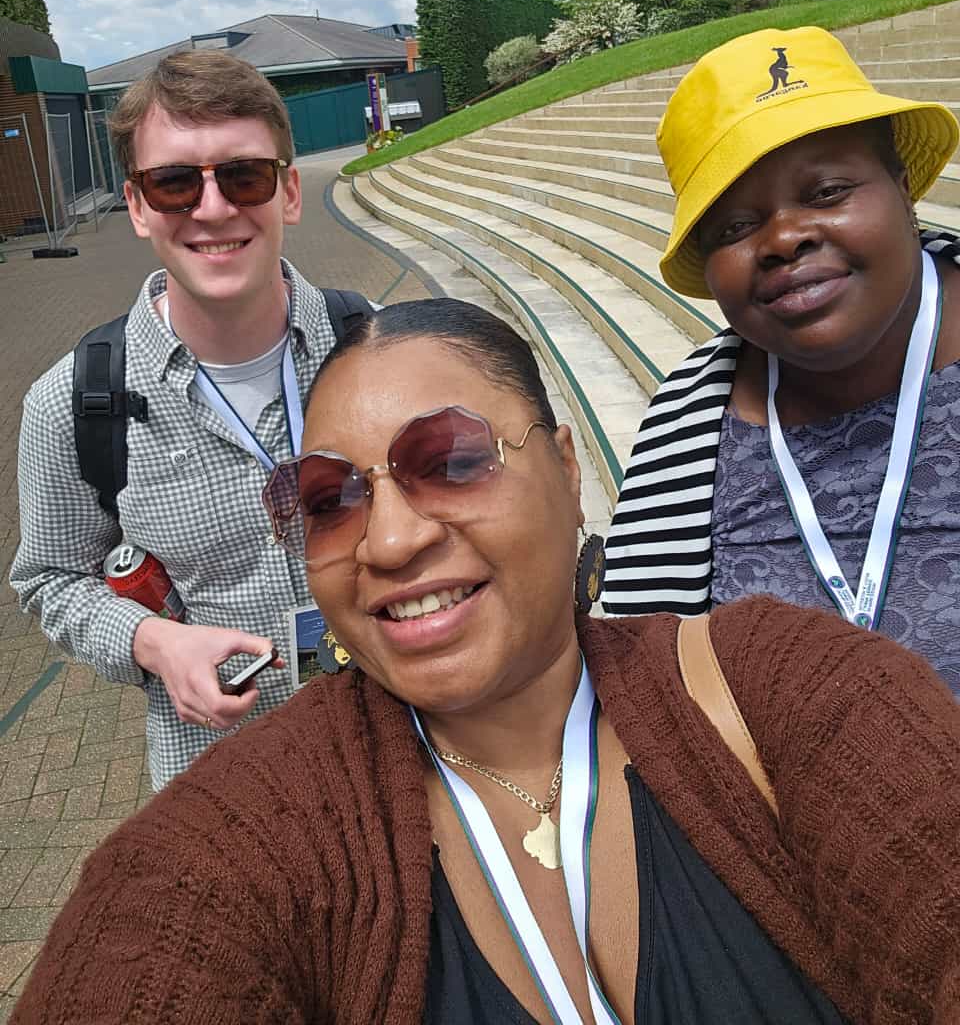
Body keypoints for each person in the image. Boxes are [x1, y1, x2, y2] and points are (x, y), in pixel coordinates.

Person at [12, 298, 960, 1025]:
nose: (388, 541)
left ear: (568, 468)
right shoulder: (249, 830)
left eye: (453, 460)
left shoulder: (783, 689)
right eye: (328, 499)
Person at [11, 50, 367, 788]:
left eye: (244, 175)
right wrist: (151, 642)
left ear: (289, 192)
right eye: (175, 182)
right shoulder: (70, 404)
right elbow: (49, 580)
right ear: (138, 206)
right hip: (227, 779)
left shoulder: (381, 345)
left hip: (403, 743)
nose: (212, 208)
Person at [603, 26, 960, 692]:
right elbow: (646, 693)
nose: (784, 239)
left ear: (902, 185)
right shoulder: (684, 430)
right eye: (736, 227)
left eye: (826, 191)